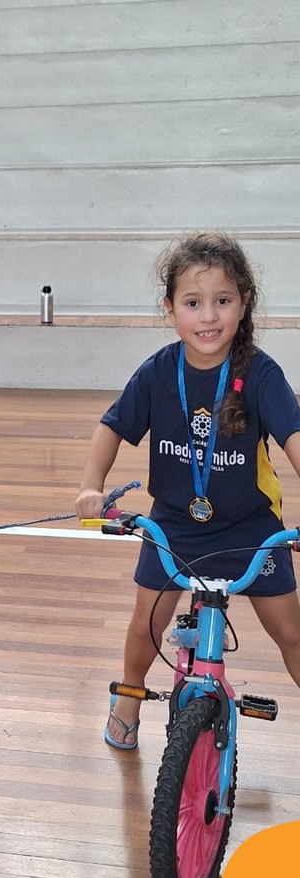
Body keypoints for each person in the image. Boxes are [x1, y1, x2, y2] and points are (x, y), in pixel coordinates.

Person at [75, 232, 300, 749]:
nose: (208, 317)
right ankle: (129, 699)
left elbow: (294, 438)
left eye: (222, 301)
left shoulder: (261, 374)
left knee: (291, 633)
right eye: (192, 303)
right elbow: (111, 427)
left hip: (250, 528)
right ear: (170, 307)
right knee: (145, 626)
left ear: (244, 303)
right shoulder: (159, 371)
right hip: (175, 524)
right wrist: (91, 486)